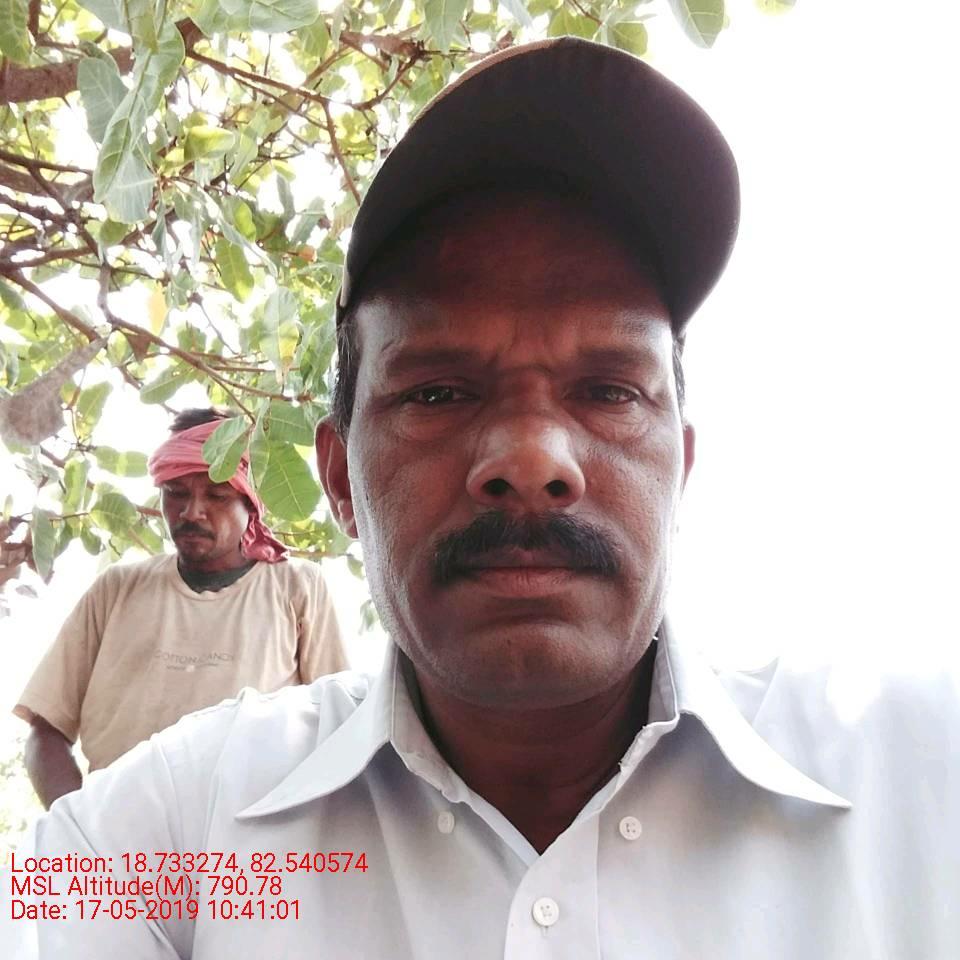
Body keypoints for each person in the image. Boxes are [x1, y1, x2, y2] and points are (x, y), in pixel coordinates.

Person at [9, 37, 957, 958]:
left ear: (681, 468)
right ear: (339, 480)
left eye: (608, 390)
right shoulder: (145, 840)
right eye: (438, 394)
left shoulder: (927, 781)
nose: (533, 459)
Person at [12, 407, 346, 808]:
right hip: (117, 836)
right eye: (176, 493)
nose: (191, 512)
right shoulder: (115, 589)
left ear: (250, 503)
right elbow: (46, 728)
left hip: (250, 838)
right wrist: (77, 830)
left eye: (217, 495)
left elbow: (339, 729)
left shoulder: (297, 586)